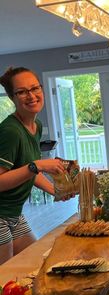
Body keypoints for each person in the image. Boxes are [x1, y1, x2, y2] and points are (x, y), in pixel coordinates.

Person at [0, 66, 66, 264]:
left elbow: (27, 170)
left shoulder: (36, 126)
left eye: (35, 88)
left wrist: (56, 191)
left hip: (13, 213)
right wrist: (37, 165)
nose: (31, 96)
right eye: (22, 92)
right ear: (12, 97)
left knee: (34, 263)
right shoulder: (10, 131)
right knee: (6, 278)